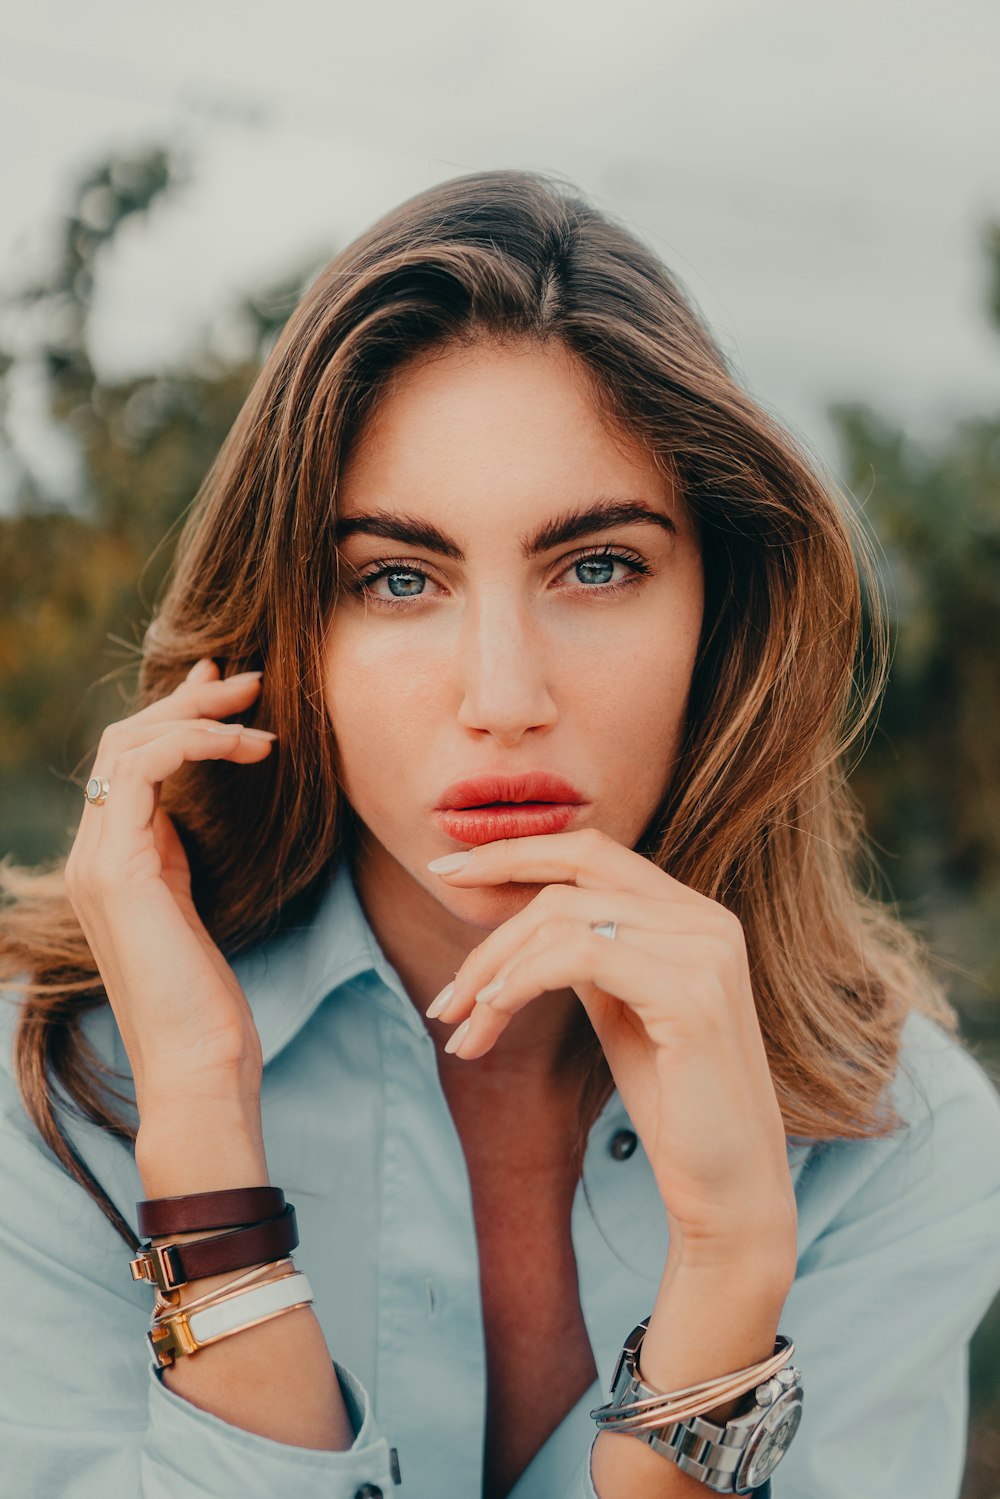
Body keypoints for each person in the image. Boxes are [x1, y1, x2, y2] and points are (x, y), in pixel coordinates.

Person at [1, 168, 999, 1499]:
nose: (504, 699)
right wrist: (193, 1135)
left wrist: (732, 1268)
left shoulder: (901, 1139)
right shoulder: (47, 1092)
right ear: (292, 627)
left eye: (597, 566)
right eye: (398, 580)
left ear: (726, 610)